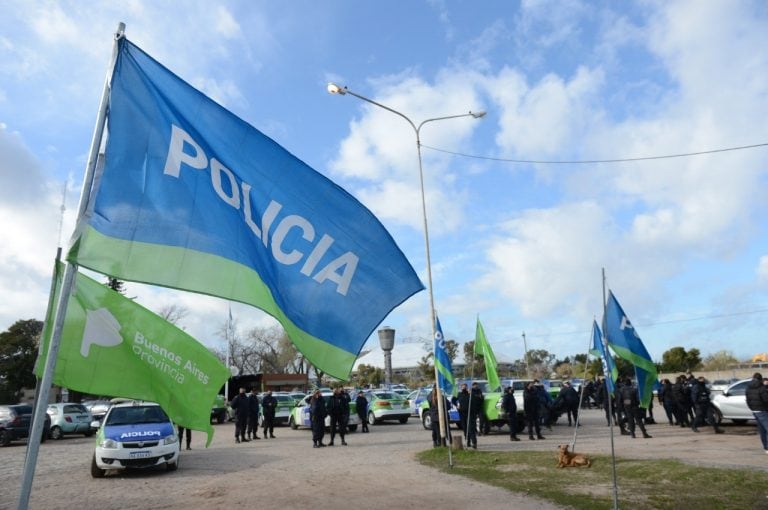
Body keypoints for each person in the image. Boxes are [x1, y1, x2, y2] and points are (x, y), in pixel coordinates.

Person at [745, 372, 768, 453]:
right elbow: (766, 400)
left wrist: (752, 408)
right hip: (763, 410)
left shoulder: (748, 387)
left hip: (755, 411)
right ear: (760, 379)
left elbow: (747, 400)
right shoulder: (761, 388)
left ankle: (766, 447)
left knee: (762, 430)